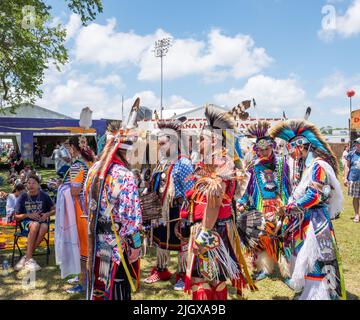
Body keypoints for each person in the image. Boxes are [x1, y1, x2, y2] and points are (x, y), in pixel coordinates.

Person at [181, 105, 256, 300]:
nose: (199, 143)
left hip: (212, 230)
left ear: (214, 139)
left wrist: (203, 235)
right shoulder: (219, 160)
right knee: (215, 280)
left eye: (202, 139)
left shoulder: (219, 162)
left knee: (204, 280)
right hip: (217, 228)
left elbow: (214, 202)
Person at [270, 120, 345, 300]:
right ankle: (309, 292)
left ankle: (318, 295)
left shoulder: (318, 166)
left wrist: (288, 209)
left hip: (317, 221)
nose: (292, 155)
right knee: (306, 258)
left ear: (301, 146)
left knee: (316, 259)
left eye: (292, 149)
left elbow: (314, 195)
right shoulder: (309, 166)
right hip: (306, 220)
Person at [85, 125, 142, 300]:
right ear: (125, 152)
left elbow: (86, 201)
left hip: (96, 241)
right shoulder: (125, 175)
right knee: (117, 284)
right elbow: (130, 216)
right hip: (117, 244)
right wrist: (136, 244)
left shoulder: (94, 170)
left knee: (100, 285)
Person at [144, 119, 194, 291]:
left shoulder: (184, 163)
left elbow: (190, 194)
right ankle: (161, 269)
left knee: (182, 245)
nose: (160, 146)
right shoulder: (163, 162)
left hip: (179, 212)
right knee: (161, 243)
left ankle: (183, 274)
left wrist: (187, 216)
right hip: (161, 211)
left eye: (163, 143)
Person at [237, 121, 291, 281]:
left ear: (272, 147)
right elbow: (248, 187)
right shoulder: (254, 166)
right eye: (260, 150)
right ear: (256, 149)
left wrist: (285, 204)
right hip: (260, 205)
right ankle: (265, 267)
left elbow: (286, 185)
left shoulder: (281, 163)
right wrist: (242, 200)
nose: (264, 152)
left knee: (280, 235)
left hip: (277, 204)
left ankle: (285, 266)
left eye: (267, 149)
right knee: (261, 236)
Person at [55, 135, 95, 294]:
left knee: (83, 248)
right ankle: (86, 280)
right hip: (89, 209)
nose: (68, 151)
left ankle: (84, 284)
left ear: (73, 148)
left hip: (80, 211)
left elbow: (75, 190)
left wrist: (61, 187)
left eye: (69, 148)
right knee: (87, 246)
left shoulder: (78, 166)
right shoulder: (90, 162)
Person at [13, 174, 55, 272]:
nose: (31, 185)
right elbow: (16, 216)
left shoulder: (44, 196)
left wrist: (47, 214)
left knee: (44, 226)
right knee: (35, 225)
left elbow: (54, 209)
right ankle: (29, 259)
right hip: (26, 224)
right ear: (26, 184)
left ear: (38, 185)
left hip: (41, 222)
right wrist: (28, 215)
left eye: (34, 183)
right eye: (29, 183)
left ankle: (27, 257)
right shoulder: (23, 196)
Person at [344, 139, 360, 223]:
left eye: (358, 144)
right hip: (354, 179)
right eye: (356, 144)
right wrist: (345, 178)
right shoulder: (351, 154)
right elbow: (347, 166)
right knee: (356, 197)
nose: (357, 145)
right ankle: (357, 214)